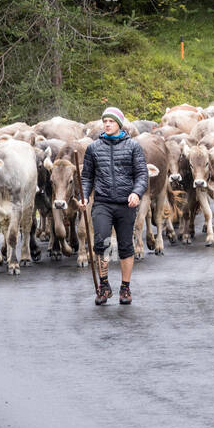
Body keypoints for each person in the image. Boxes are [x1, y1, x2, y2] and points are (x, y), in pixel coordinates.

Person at [79, 107, 147, 305]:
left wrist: (136, 192)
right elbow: (86, 178)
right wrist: (83, 196)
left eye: (110, 121)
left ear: (119, 123)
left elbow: (142, 174)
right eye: (105, 121)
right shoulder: (93, 148)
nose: (107, 124)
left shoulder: (133, 146)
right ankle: (104, 285)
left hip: (126, 203)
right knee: (102, 244)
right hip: (102, 202)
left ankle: (125, 288)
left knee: (126, 246)